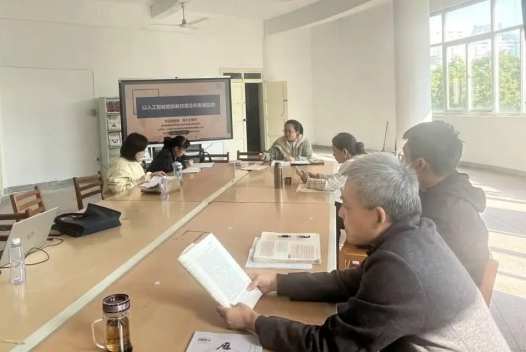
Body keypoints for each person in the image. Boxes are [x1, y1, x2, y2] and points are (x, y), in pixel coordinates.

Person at [217, 153, 509, 352]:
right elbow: (351, 281)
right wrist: (279, 282)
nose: (341, 213)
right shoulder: (415, 232)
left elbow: (332, 345)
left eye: (346, 206)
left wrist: (253, 322)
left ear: (378, 216)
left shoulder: (400, 267)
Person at [403, 120, 489, 285]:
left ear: (420, 163)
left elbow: (421, 265)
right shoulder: (442, 188)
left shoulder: (445, 211)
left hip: (450, 291)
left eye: (404, 158)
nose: (401, 164)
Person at [297, 132, 366, 249]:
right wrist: (317, 176)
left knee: (330, 217)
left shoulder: (351, 165)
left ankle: (332, 252)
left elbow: (329, 185)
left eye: (334, 151)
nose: (333, 154)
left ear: (344, 152)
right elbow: (337, 178)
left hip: (362, 218)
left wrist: (307, 181)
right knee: (331, 207)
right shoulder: (358, 160)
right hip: (363, 210)